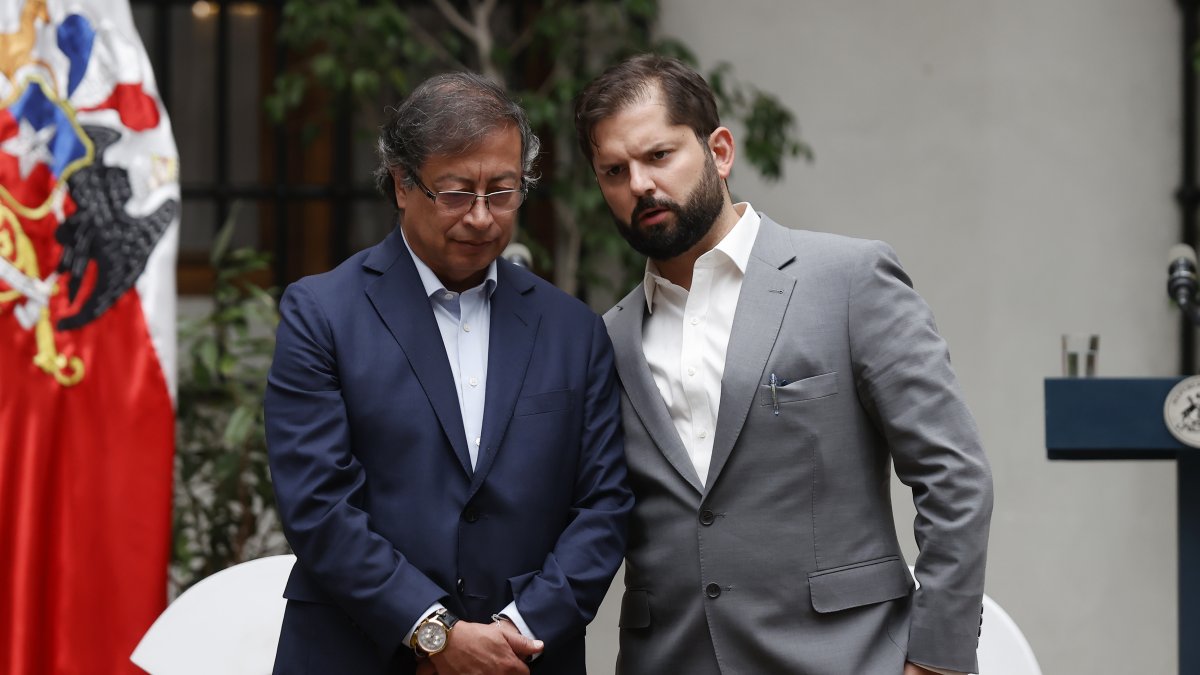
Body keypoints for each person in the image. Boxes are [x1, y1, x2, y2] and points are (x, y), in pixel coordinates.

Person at [574, 55, 993, 675]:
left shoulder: (847, 281)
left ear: (719, 151)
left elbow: (954, 476)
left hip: (848, 657)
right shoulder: (606, 338)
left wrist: (937, 660)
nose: (638, 185)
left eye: (658, 156)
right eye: (615, 171)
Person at [265, 72, 632, 675]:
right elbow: (318, 505)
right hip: (356, 650)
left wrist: (518, 630)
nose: (483, 218)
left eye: (504, 191)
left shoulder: (574, 329)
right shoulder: (322, 314)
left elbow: (604, 505)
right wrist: (432, 632)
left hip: (525, 660)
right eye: (458, 193)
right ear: (402, 185)